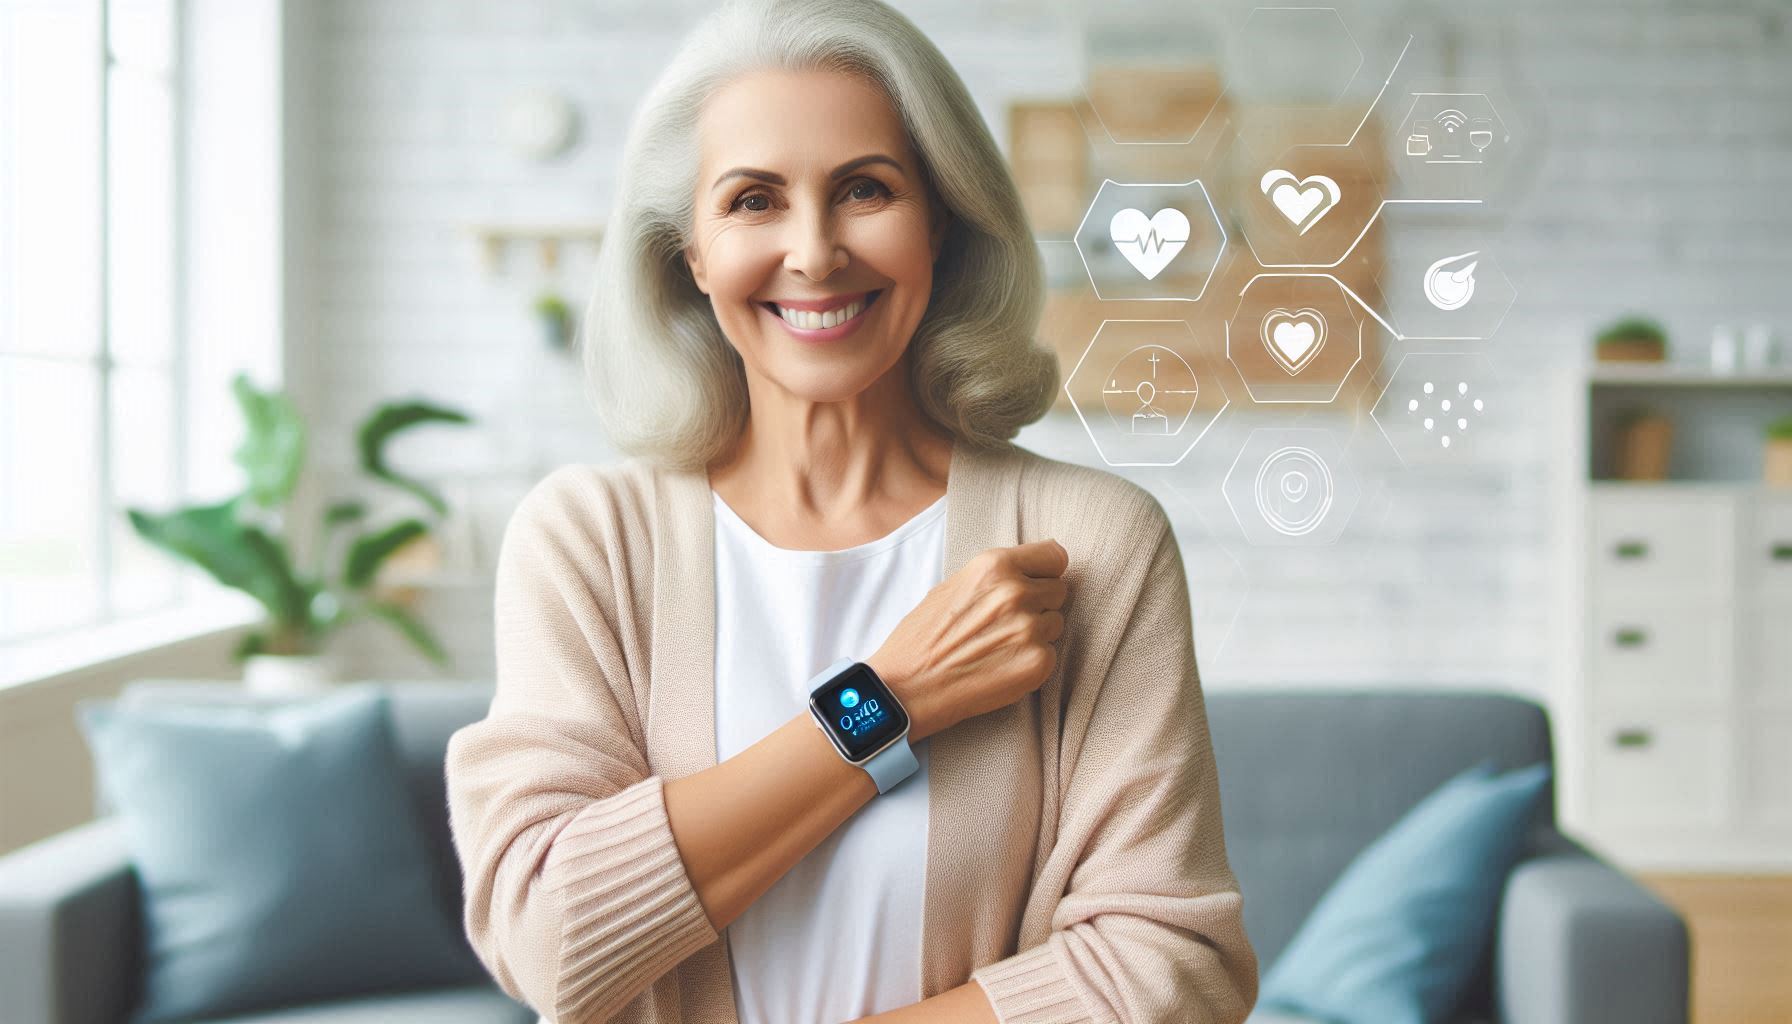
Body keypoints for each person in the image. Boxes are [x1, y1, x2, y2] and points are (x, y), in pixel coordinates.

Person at [443, 1, 1258, 1021]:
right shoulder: (590, 541)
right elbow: (550, 940)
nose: (815, 252)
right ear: (691, 252)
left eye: (865, 189)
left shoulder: (1091, 544)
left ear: (941, 221)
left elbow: (1172, 966)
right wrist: (890, 697)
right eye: (753, 200)